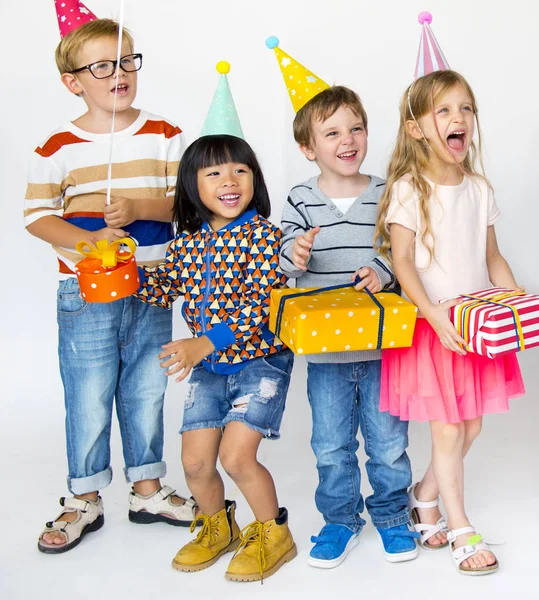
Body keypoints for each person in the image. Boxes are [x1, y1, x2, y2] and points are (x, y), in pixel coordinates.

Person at [25, 14, 194, 554]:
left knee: (146, 386)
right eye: (102, 66)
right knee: (89, 392)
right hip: (85, 291)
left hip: (151, 285)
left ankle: (146, 487)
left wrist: (140, 206)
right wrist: (88, 240)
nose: (118, 73)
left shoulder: (165, 134)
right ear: (73, 80)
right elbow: (36, 216)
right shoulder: (56, 147)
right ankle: (84, 497)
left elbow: (190, 203)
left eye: (126, 61)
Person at [375, 69, 525, 575]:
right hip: (433, 327)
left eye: (464, 108)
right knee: (447, 431)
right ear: (416, 129)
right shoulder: (407, 190)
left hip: (475, 324)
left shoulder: (478, 188)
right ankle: (460, 526)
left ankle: (424, 495)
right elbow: (402, 262)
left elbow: (493, 256)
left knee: (472, 425)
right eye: (443, 111)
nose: (457, 118)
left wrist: (511, 294)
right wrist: (433, 314)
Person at [135, 133, 296, 582]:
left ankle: (273, 533)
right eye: (214, 172)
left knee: (237, 458)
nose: (230, 180)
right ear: (193, 186)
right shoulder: (186, 244)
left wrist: (201, 343)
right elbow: (163, 288)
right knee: (195, 463)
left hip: (261, 363)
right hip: (208, 369)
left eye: (240, 170)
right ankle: (218, 528)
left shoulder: (264, 236)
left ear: (254, 180)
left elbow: (261, 304)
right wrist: (122, 272)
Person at [279, 85, 416, 568]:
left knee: (389, 444)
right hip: (326, 358)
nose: (347, 139)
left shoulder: (388, 192)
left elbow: (403, 255)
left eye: (355, 127)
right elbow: (286, 262)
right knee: (331, 445)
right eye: (332, 131)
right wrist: (294, 255)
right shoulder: (300, 198)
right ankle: (340, 519)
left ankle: (394, 515)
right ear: (307, 147)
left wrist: (381, 270)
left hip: (384, 351)